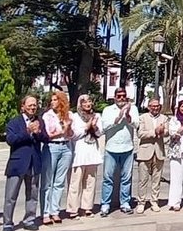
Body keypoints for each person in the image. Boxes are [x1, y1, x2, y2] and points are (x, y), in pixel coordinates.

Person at [3, 95, 47, 231]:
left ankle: (29, 219)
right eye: (30, 105)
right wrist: (27, 131)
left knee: (32, 193)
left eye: (34, 105)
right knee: (11, 195)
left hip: (34, 163)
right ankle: (7, 223)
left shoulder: (40, 121)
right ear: (23, 106)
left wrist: (38, 132)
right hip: (18, 163)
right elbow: (11, 140)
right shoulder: (14, 122)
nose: (33, 108)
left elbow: (46, 138)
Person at [100, 88, 140, 216]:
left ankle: (125, 203)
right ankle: (105, 204)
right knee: (108, 178)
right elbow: (104, 127)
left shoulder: (133, 109)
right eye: (119, 96)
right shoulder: (108, 110)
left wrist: (128, 117)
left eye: (124, 96)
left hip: (127, 148)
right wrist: (117, 119)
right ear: (115, 97)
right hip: (111, 148)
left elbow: (137, 125)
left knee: (126, 178)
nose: (122, 98)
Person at [41, 91, 74, 224]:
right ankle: (45, 212)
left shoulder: (68, 115)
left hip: (66, 146)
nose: (53, 102)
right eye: (52, 100)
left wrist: (69, 128)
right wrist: (63, 131)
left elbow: (72, 134)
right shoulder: (47, 116)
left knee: (59, 182)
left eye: (56, 100)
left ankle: (55, 211)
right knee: (48, 181)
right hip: (52, 147)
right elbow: (47, 135)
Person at [68, 95, 103, 218]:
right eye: (85, 102)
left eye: (89, 102)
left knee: (90, 182)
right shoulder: (75, 116)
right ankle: (73, 209)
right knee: (75, 182)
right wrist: (87, 127)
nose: (88, 104)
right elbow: (74, 135)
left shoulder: (97, 116)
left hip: (92, 151)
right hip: (79, 152)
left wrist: (94, 127)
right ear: (80, 104)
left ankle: (87, 207)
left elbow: (99, 133)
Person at [134, 97, 167, 213]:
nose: (155, 108)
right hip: (145, 152)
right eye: (153, 106)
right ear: (148, 107)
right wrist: (154, 132)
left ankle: (154, 201)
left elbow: (167, 132)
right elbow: (140, 134)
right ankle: (141, 202)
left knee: (156, 179)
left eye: (157, 106)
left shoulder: (164, 118)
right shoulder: (142, 118)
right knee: (143, 180)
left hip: (159, 152)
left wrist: (163, 130)